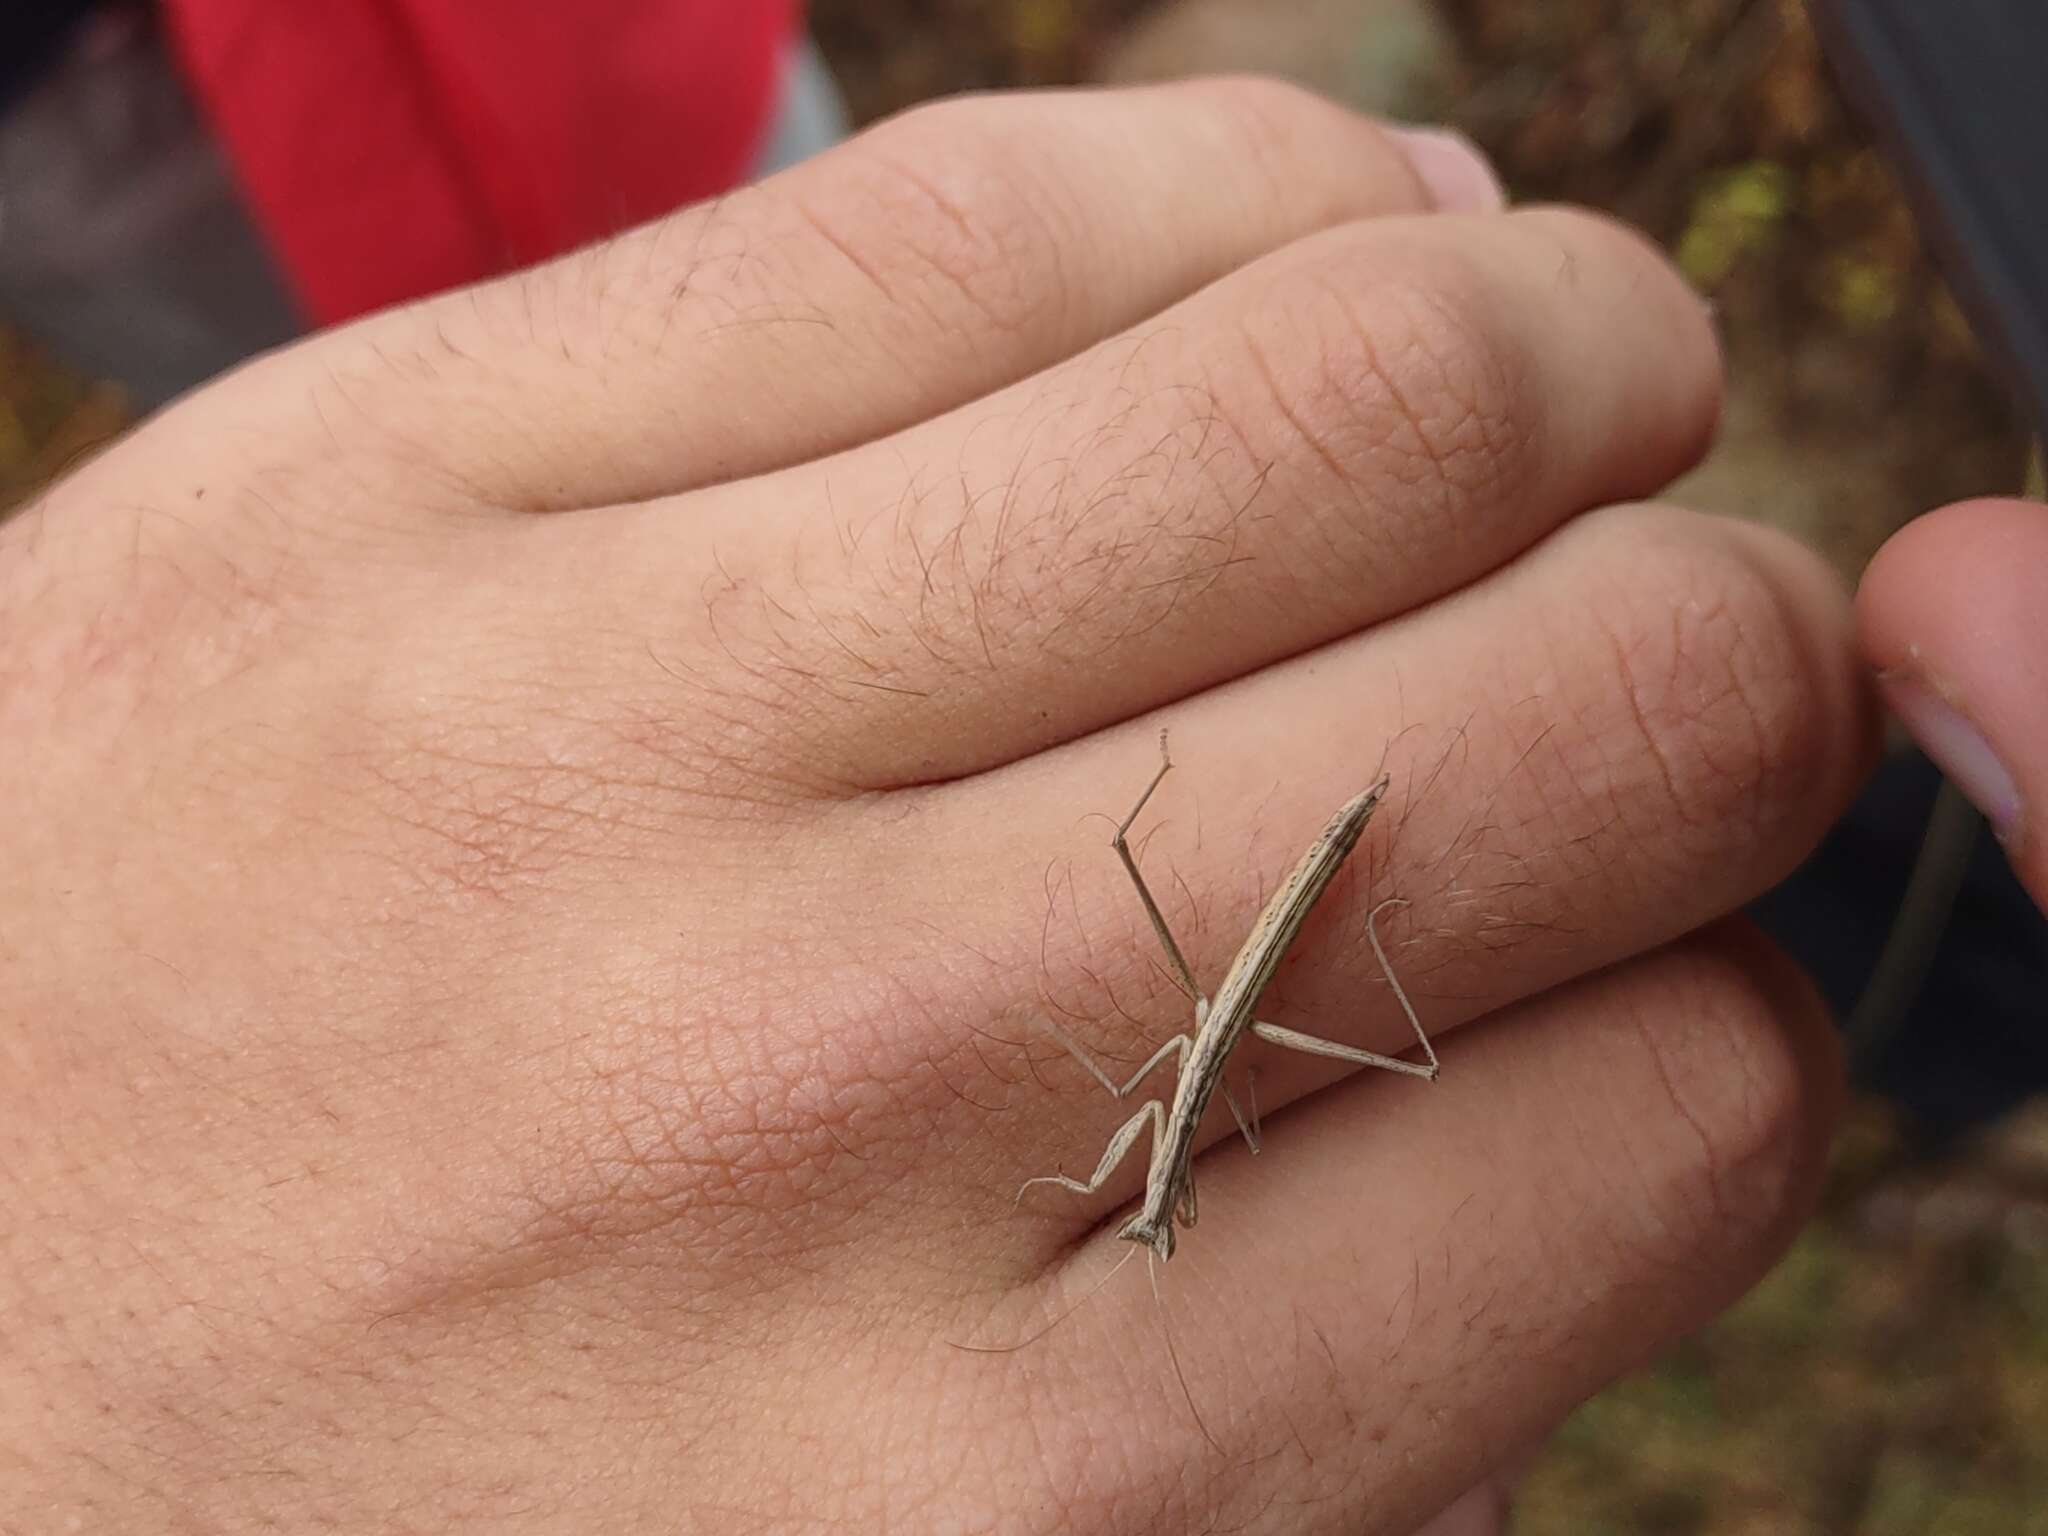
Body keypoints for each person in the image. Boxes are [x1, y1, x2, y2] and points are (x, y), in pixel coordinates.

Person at [0, 79, 2019, 1532]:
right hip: (1275, 950)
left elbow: (1162, 1032)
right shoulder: (1172, 1131)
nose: (1155, 1205)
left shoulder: (1160, 1100)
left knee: (1190, 941)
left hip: (1275, 915)